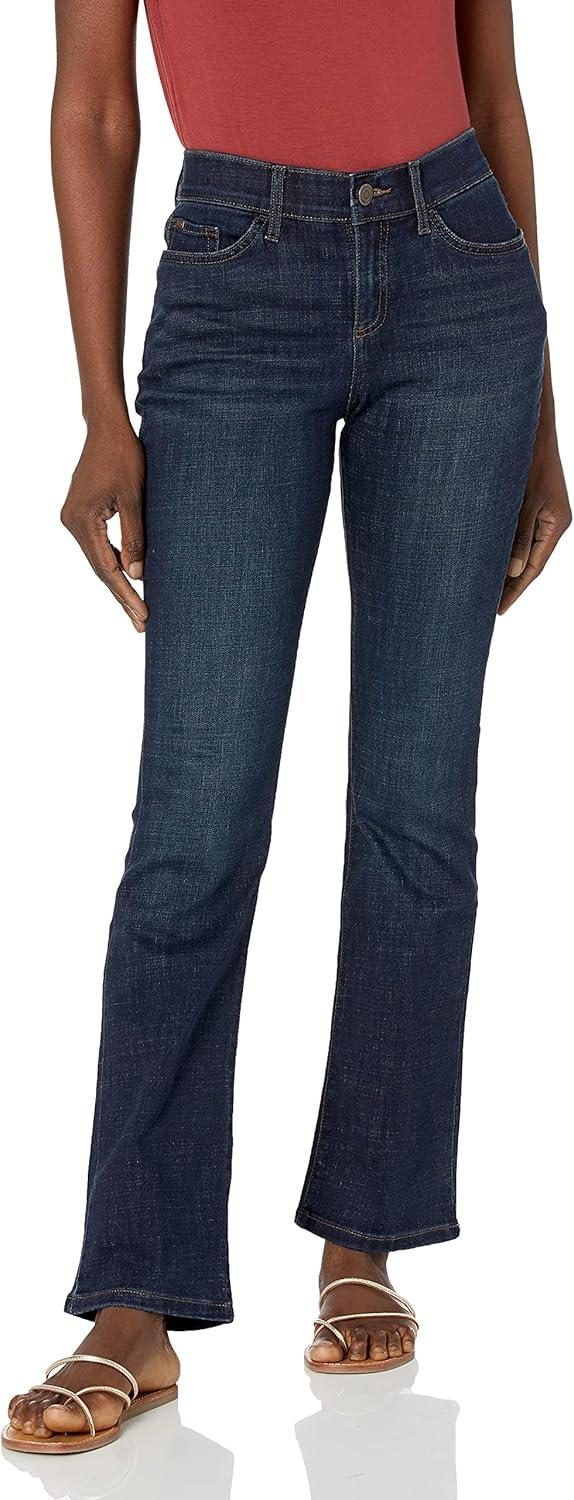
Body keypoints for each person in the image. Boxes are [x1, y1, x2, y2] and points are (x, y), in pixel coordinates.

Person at [3, 0, 570, 1457]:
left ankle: (364, 1236)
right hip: (232, 281)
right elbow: (93, 108)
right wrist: (99, 409)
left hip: (460, 279)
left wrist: (541, 411)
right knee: (194, 827)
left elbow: (494, 91)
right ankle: (135, 1297)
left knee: (415, 813)